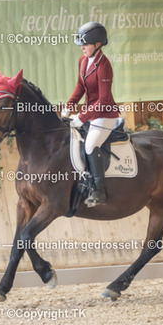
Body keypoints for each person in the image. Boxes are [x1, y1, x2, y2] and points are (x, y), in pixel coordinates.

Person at [62, 21, 120, 207]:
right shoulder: (83, 60)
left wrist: (81, 117)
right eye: (81, 44)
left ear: (97, 45)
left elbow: (103, 99)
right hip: (90, 113)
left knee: (90, 145)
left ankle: (99, 190)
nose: (82, 48)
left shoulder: (104, 66)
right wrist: (69, 106)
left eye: (85, 45)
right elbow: (80, 86)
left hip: (105, 115)